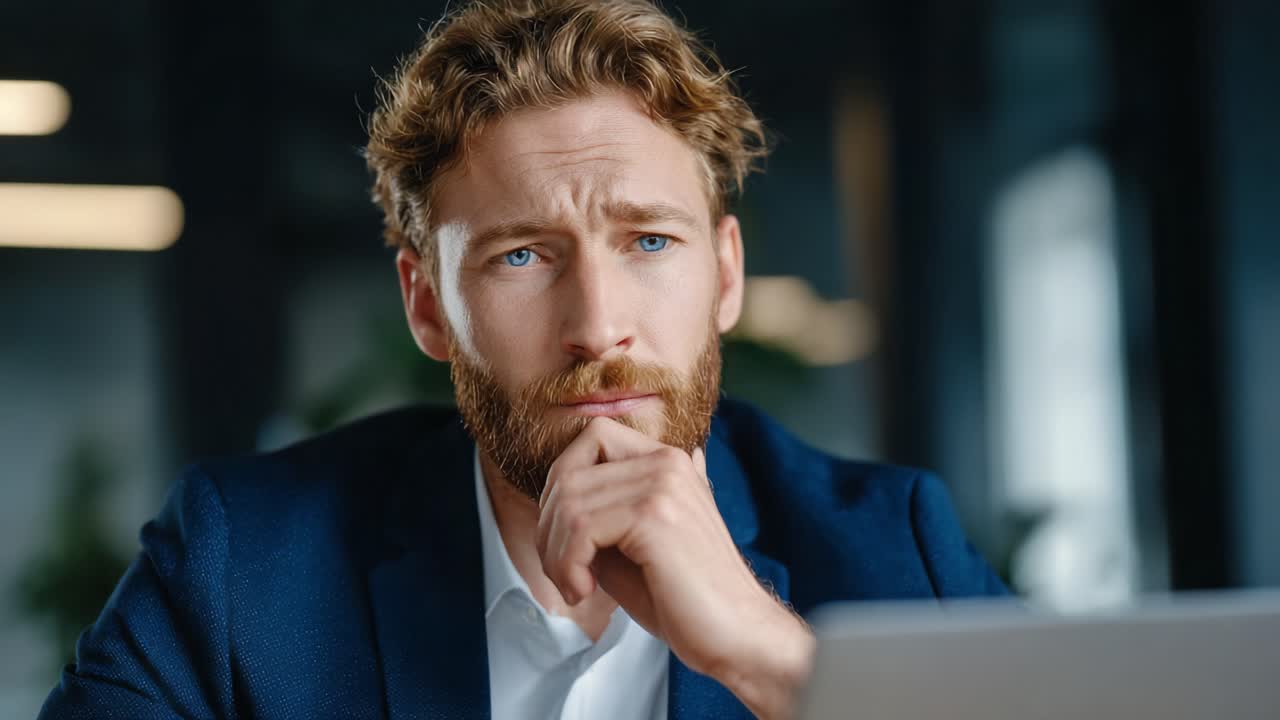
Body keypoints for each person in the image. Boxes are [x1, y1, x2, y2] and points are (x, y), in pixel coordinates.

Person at [39, 1, 1006, 718]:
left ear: (725, 274)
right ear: (428, 306)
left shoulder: (896, 555)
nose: (597, 326)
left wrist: (776, 663)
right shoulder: (242, 563)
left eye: (650, 242)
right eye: (521, 256)